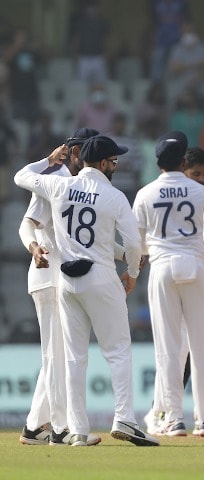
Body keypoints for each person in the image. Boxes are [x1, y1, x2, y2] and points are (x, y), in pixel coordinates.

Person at [14, 135, 159, 447]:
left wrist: (48, 162)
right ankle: (124, 418)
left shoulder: (59, 186)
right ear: (104, 163)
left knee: (74, 358)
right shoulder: (114, 196)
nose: (116, 165)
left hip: (67, 280)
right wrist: (132, 274)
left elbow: (20, 176)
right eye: (114, 161)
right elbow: (133, 244)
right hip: (102, 276)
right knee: (118, 350)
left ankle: (77, 430)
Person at [133, 131, 204, 438]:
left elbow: (137, 243)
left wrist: (143, 257)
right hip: (197, 267)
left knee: (169, 347)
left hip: (161, 268)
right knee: (203, 345)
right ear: (183, 161)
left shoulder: (145, 193)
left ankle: (172, 418)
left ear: (158, 162)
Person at [18, 128, 103, 447]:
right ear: (77, 152)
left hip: (67, 279)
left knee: (60, 354)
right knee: (56, 355)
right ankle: (60, 429)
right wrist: (34, 247)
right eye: (90, 151)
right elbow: (28, 222)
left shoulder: (86, 186)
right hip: (48, 276)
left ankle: (33, 427)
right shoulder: (54, 179)